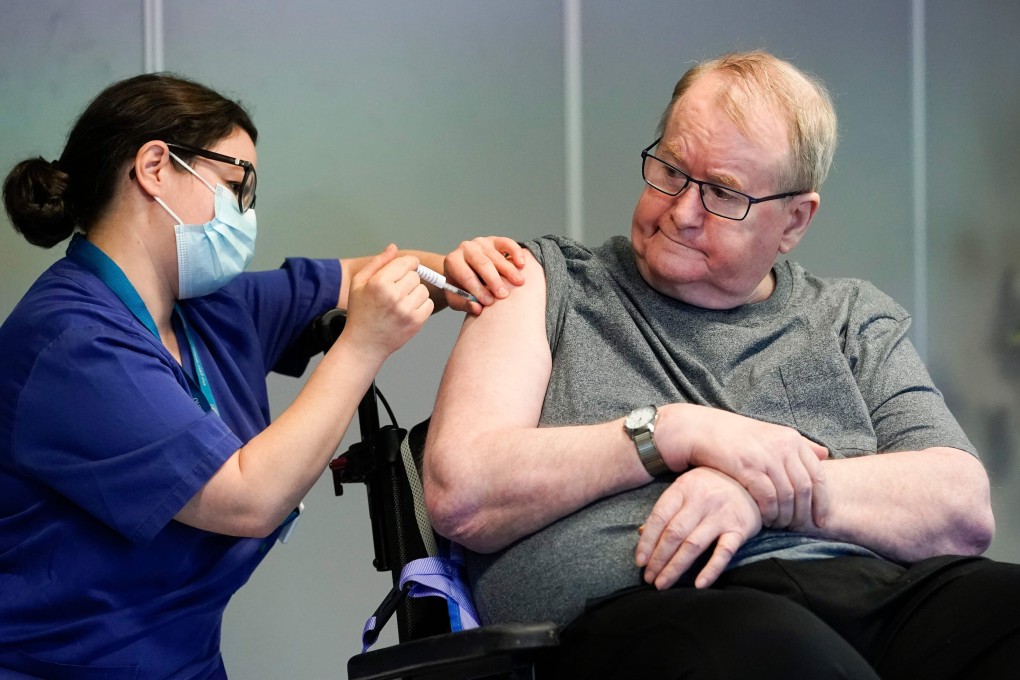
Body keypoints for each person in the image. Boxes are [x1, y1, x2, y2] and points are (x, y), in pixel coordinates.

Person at [423, 51, 1020, 678]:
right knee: (772, 649)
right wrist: (670, 432)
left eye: (722, 193)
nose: (681, 211)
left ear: (794, 221)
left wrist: (764, 495)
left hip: (869, 594)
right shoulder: (542, 283)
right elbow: (461, 491)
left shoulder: (849, 317)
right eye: (671, 171)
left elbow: (962, 508)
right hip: (654, 610)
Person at [0, 73, 525, 679]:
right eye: (234, 186)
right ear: (154, 168)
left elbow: (366, 276)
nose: (244, 214)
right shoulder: (70, 343)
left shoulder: (207, 310)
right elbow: (248, 498)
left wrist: (457, 270)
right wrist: (362, 345)